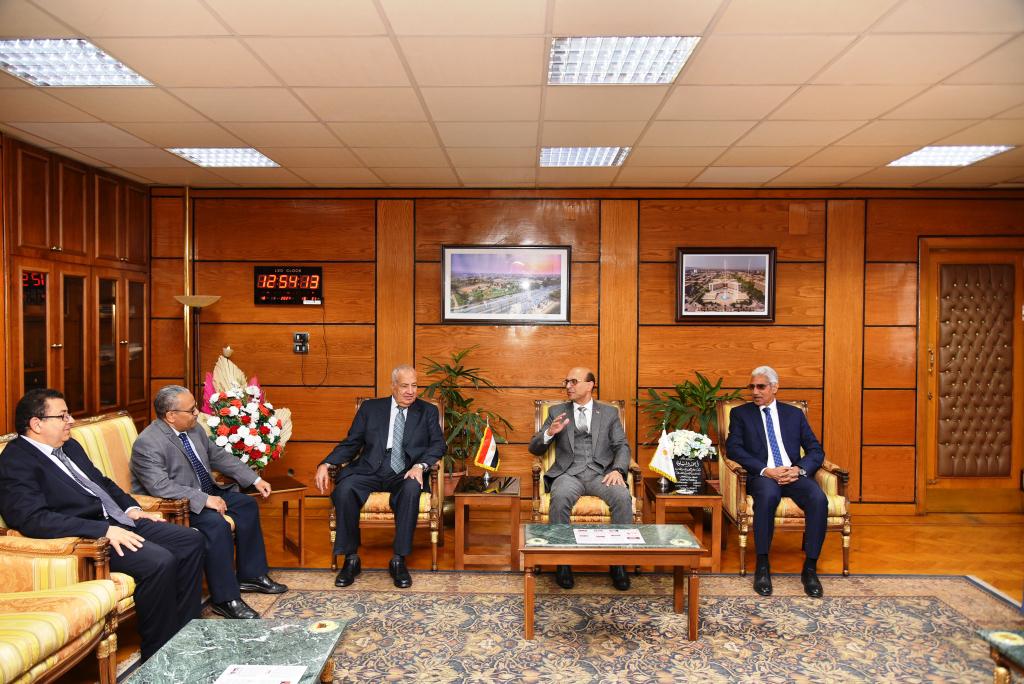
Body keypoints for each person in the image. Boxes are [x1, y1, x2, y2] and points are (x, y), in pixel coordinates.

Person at [0, 389, 205, 661]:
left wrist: (133, 509)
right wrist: (103, 531)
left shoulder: (69, 446)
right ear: (37, 424)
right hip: (88, 538)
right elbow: (32, 519)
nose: (71, 421)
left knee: (191, 540)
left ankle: (186, 631)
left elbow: (102, 482)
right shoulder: (15, 461)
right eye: (63, 416)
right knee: (159, 561)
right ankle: (160, 652)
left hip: (117, 520)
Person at [130, 385, 287, 620]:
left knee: (246, 505)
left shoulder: (193, 429)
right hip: (176, 506)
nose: (197, 413)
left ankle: (251, 576)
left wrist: (255, 479)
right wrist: (204, 500)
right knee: (216, 525)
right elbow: (160, 486)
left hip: (206, 492)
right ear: (171, 415)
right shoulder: (148, 443)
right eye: (191, 410)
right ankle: (225, 599)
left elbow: (218, 456)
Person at [315, 365, 444, 589]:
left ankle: (398, 560)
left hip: (406, 470)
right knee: (344, 490)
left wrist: (420, 466)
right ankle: (351, 559)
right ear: (393, 386)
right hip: (370, 468)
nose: (410, 391)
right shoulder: (370, 409)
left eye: (414, 386)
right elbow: (352, 443)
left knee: (412, 488)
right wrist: (326, 463)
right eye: (404, 386)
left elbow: (438, 445)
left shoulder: (427, 411)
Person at [725, 365, 827, 598]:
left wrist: (799, 470)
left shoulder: (794, 414)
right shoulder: (741, 414)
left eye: (761, 386)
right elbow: (734, 449)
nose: (755, 391)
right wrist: (765, 470)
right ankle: (762, 566)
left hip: (792, 473)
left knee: (818, 499)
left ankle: (810, 569)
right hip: (764, 475)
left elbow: (815, 450)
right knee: (767, 496)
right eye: (752, 387)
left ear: (774, 388)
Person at [528, 367, 633, 591]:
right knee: (560, 497)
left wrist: (617, 470)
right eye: (566, 382)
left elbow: (621, 445)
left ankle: (618, 563)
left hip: (600, 474)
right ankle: (563, 562)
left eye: (574, 382)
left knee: (623, 497)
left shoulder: (609, 413)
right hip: (569, 473)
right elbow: (534, 447)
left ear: (590, 385)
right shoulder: (557, 412)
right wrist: (549, 433)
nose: (568, 386)